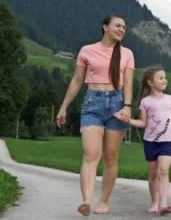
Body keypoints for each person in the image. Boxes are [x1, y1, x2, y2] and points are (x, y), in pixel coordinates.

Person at [56, 14, 135, 216]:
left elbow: (128, 82)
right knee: (91, 155)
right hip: (92, 104)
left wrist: (127, 106)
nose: (122, 29)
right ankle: (87, 201)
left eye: (124, 27)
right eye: (118, 25)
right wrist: (64, 106)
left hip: (117, 104)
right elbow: (76, 81)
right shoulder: (87, 50)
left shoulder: (126, 53)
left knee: (110, 157)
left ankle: (104, 201)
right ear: (105, 27)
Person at [119, 66, 171, 216]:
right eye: (160, 78)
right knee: (153, 174)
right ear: (150, 82)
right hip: (150, 142)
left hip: (167, 141)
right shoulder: (145, 102)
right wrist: (128, 120)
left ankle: (164, 203)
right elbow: (143, 123)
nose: (164, 80)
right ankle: (154, 202)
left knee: (163, 171)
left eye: (165, 77)